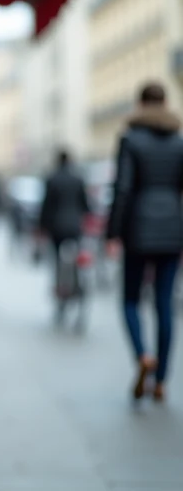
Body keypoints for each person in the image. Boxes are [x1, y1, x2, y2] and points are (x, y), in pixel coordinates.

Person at [106, 82, 183, 403]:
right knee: (165, 303)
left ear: (139, 104)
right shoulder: (179, 142)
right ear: (165, 104)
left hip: (138, 228)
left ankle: (142, 355)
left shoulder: (129, 140)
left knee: (130, 300)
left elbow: (122, 189)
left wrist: (112, 233)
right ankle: (162, 380)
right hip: (172, 229)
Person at [38, 149, 90, 326]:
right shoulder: (78, 178)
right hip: (74, 228)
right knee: (75, 261)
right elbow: (85, 205)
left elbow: (46, 205)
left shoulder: (52, 178)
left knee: (57, 264)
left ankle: (61, 295)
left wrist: (41, 226)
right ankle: (76, 287)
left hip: (56, 228)